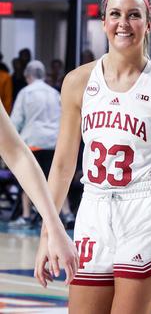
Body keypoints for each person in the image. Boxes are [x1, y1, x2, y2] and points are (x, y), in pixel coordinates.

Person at [32, 0, 151, 313]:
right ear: (103, 22)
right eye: (115, 14)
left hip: (146, 210)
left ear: (148, 24)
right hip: (93, 207)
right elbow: (61, 166)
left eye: (134, 15)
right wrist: (49, 233)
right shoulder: (77, 82)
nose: (123, 23)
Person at [0, 82, 78, 288]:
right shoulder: (52, 93)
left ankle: (33, 215)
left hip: (37, 143)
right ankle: (55, 214)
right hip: (48, 142)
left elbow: (16, 153)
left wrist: (53, 228)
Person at [9, 60, 75, 229]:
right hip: (53, 143)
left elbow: (16, 121)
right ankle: (66, 213)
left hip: (33, 143)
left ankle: (26, 215)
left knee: (28, 178)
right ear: (43, 75)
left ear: (27, 75)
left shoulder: (25, 93)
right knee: (56, 178)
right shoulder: (54, 93)